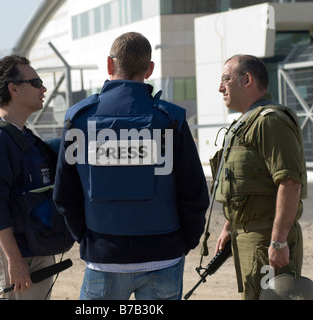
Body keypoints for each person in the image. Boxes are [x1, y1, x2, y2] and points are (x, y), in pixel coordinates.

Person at [53, 32, 209, 300]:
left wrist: (89, 240)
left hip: (103, 257)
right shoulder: (170, 120)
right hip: (164, 256)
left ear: (109, 65)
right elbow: (194, 193)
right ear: (149, 70)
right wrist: (183, 243)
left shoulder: (78, 120)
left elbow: (64, 195)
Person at [213, 54, 307, 300]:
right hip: (248, 236)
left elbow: (289, 181)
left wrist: (278, 242)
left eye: (225, 79)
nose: (220, 87)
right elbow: (243, 183)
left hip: (266, 237)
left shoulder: (270, 121)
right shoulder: (245, 124)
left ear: (247, 79)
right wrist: (229, 226)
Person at [0, 55, 56, 300]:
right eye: (36, 82)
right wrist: (14, 260)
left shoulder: (23, 136)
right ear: (14, 89)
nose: (43, 89)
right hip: (18, 252)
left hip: (32, 246)